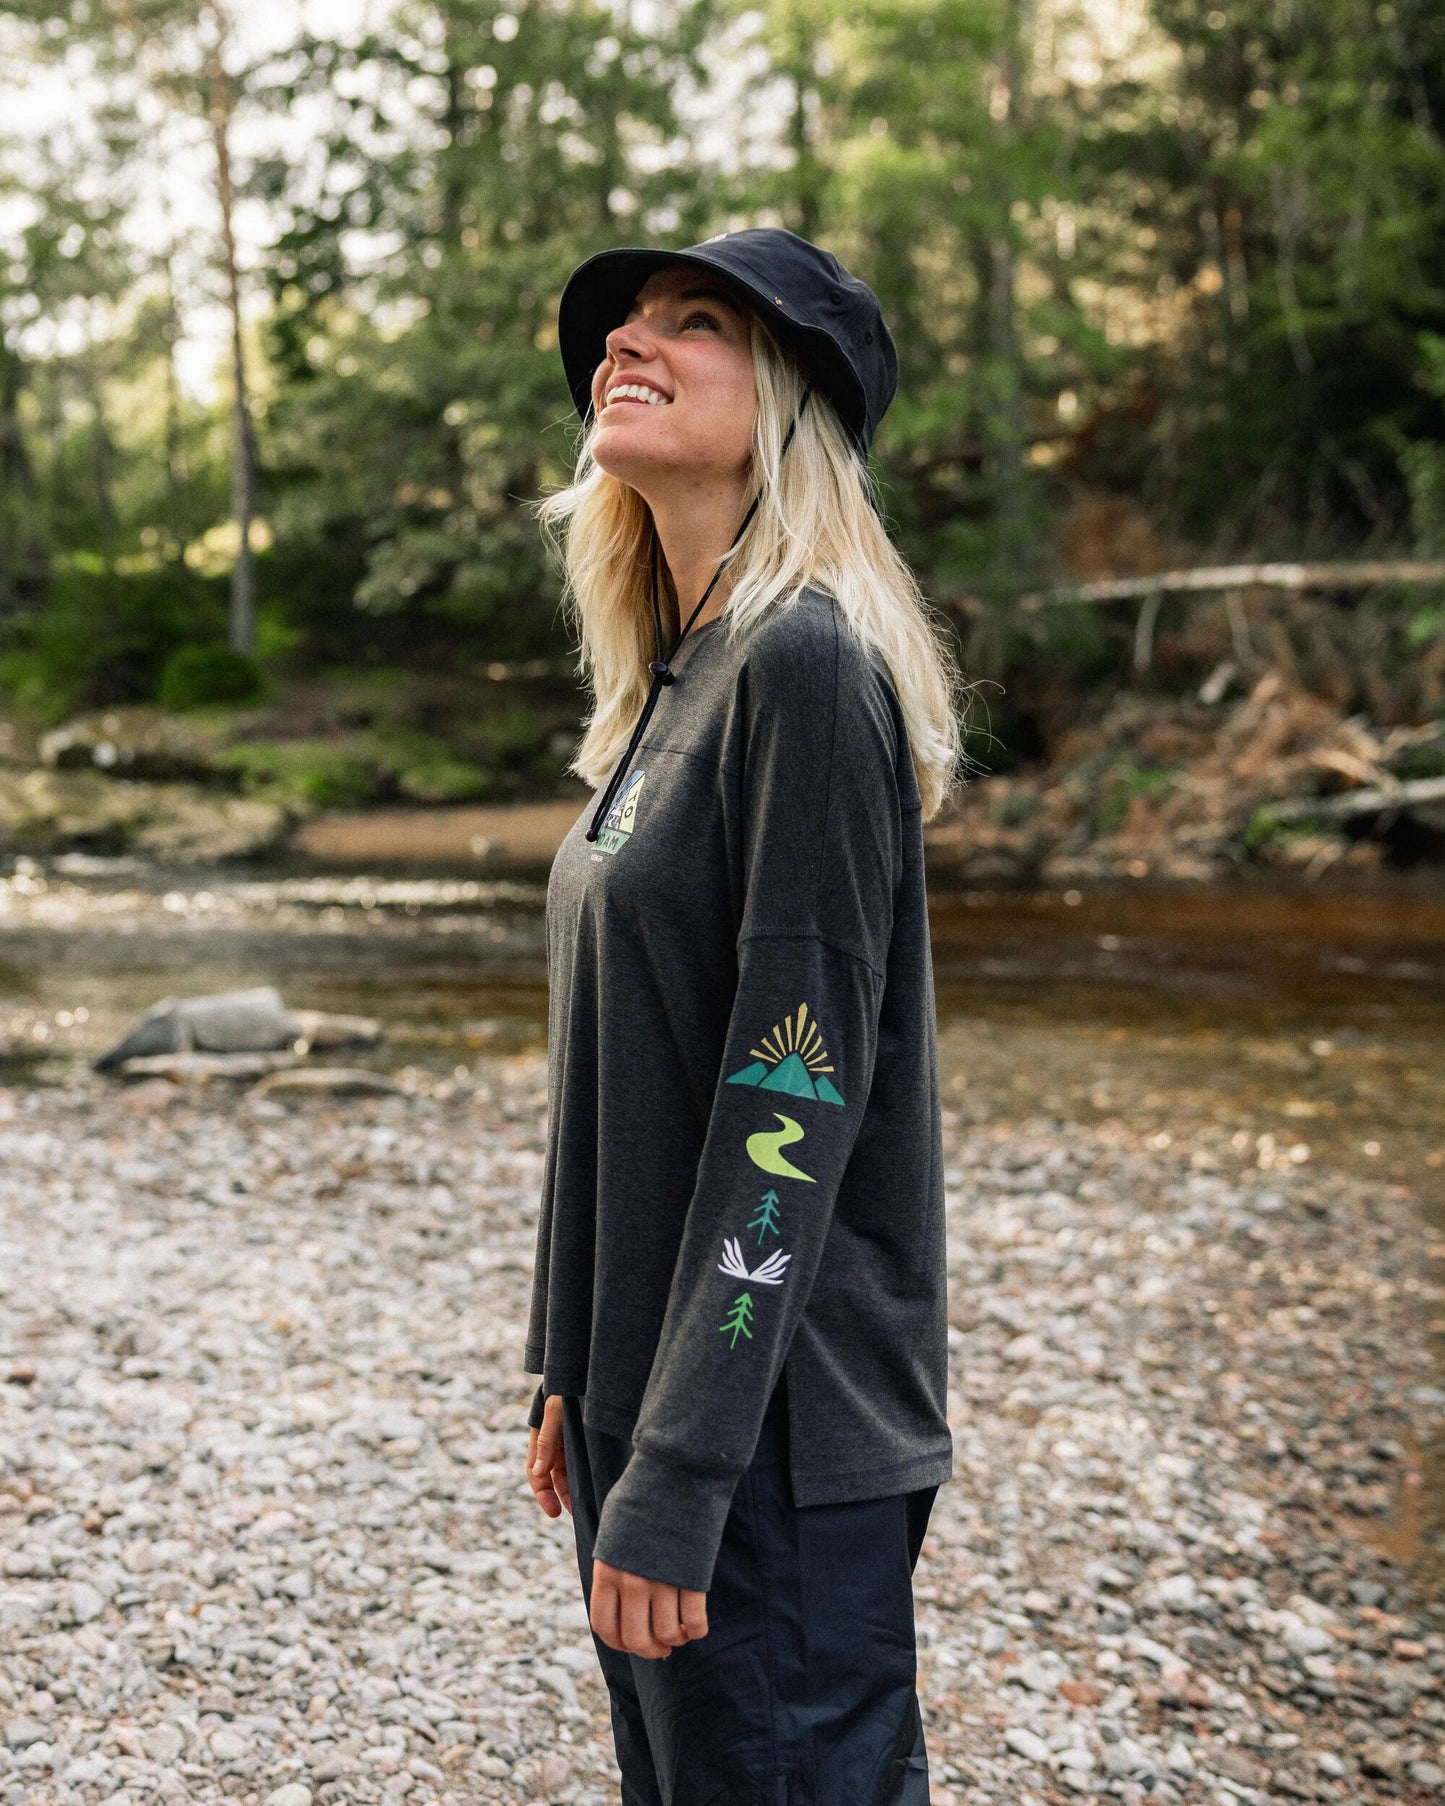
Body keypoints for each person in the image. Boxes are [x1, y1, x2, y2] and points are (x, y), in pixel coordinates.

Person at [521, 226, 967, 1806]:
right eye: (622, 323)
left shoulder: (805, 668)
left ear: (791, 402)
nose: (626, 342)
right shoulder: (680, 678)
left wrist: (687, 1462)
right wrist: (573, 1360)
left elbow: (789, 1099)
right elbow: (629, 1064)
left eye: (692, 320)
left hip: (769, 1430)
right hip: (667, 1395)